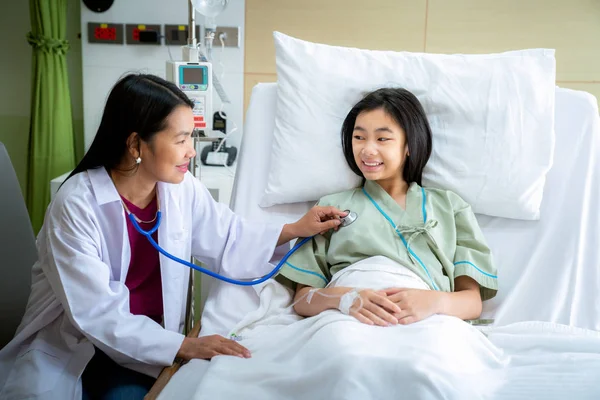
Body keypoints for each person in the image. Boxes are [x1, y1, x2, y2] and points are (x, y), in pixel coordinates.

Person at [0, 73, 347, 400]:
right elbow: (96, 313)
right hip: (76, 349)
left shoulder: (180, 191)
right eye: (181, 139)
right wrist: (184, 346)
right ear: (137, 144)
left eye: (191, 138)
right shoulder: (77, 205)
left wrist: (295, 229)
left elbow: (228, 237)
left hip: (144, 351)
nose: (191, 151)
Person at [277, 87, 498, 326]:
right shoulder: (330, 208)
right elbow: (302, 299)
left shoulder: (450, 207)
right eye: (359, 137)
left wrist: (433, 302)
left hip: (426, 320)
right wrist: (345, 299)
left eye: (382, 139)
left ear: (409, 146)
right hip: (346, 320)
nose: (367, 149)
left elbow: (472, 303)